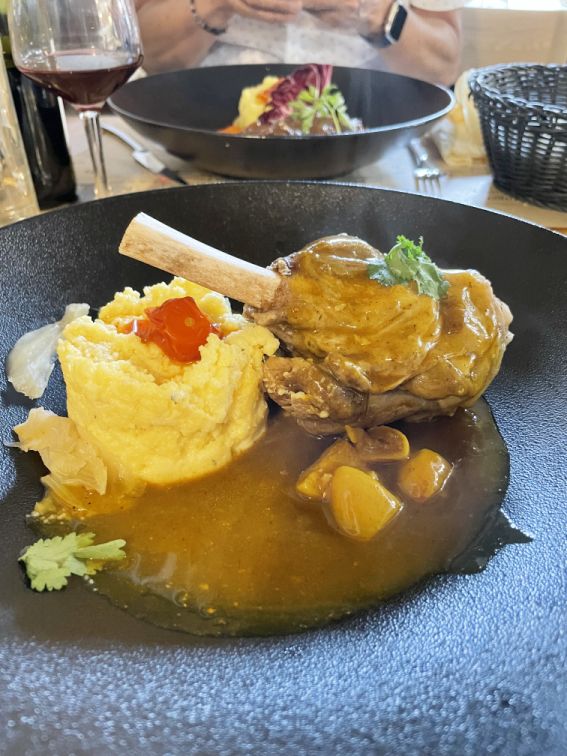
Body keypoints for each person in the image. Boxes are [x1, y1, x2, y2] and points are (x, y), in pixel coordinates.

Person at [135, 0, 463, 86]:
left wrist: (377, 14)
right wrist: (216, 4)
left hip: (370, 135)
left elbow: (441, 67)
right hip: (200, 132)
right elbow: (149, 54)